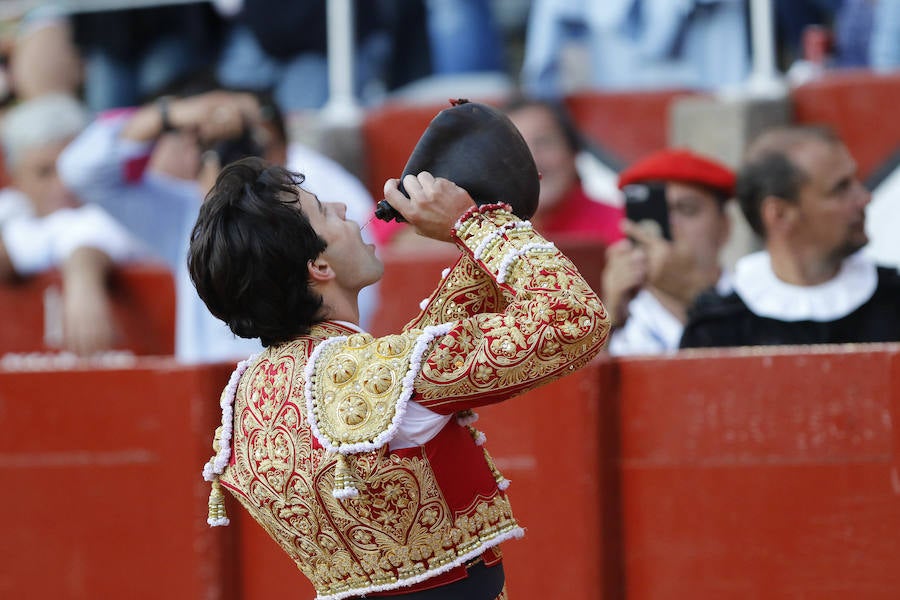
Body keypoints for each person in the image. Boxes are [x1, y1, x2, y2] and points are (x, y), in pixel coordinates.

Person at [192, 158, 610, 599]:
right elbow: (572, 317)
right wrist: (478, 224)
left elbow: (407, 366)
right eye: (323, 211)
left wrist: (479, 221)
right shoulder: (376, 373)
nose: (343, 208)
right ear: (319, 267)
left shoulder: (249, 394)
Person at [58, 87, 378, 363]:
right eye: (219, 152)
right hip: (217, 397)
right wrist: (174, 114)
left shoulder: (316, 193)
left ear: (278, 147)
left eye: (248, 149)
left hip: (304, 372)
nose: (234, 168)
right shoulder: (192, 215)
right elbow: (80, 171)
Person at [680, 125, 900, 348]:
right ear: (780, 214)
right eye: (840, 188)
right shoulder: (717, 329)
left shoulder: (893, 301)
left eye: (855, 181)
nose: (864, 198)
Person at [0, 94, 147, 355]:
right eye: (44, 171)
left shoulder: (118, 203)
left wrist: (82, 276)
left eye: (69, 167)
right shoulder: (11, 206)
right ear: (16, 177)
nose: (62, 185)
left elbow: (91, 231)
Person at [603, 148, 734, 355]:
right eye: (658, 213)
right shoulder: (623, 316)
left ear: (725, 227)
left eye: (687, 209)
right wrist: (607, 322)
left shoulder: (757, 296)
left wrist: (698, 299)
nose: (671, 225)